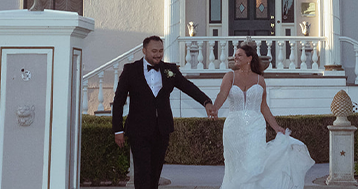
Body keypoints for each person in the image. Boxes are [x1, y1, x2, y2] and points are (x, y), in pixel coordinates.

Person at [112, 35, 218, 189]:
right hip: (138, 130)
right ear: (144, 51)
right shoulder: (131, 70)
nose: (158, 54)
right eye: (154, 51)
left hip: (162, 130)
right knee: (142, 173)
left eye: (160, 51)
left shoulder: (169, 70)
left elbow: (188, 86)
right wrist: (118, 129)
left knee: (155, 174)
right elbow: (119, 100)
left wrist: (206, 102)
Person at [212, 42, 315, 189]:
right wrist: (214, 108)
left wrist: (276, 127)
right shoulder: (230, 76)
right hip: (233, 127)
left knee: (254, 163)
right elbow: (222, 94)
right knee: (234, 165)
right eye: (235, 55)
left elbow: (264, 106)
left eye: (239, 55)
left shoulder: (260, 80)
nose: (236, 58)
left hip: (255, 127)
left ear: (249, 58)